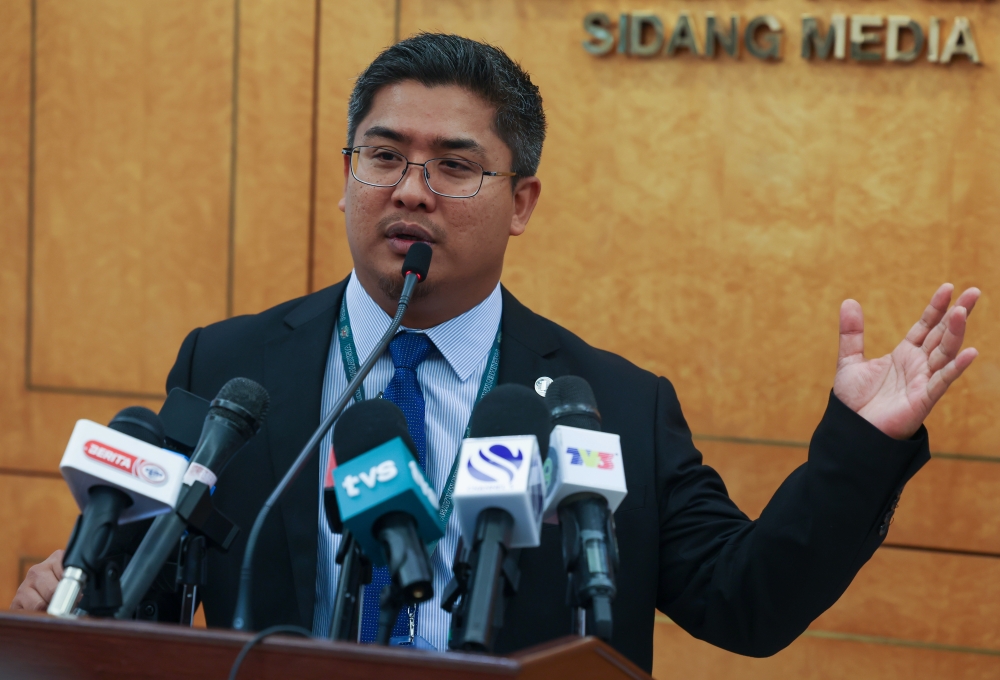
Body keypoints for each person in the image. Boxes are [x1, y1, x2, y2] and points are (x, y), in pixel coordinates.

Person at [12, 33, 979, 673]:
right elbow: (146, 580)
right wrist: (78, 584)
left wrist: (861, 442)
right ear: (347, 176)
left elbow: (749, 603)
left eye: (456, 165)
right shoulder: (232, 370)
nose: (411, 189)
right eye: (383, 156)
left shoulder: (610, 405)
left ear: (522, 204)